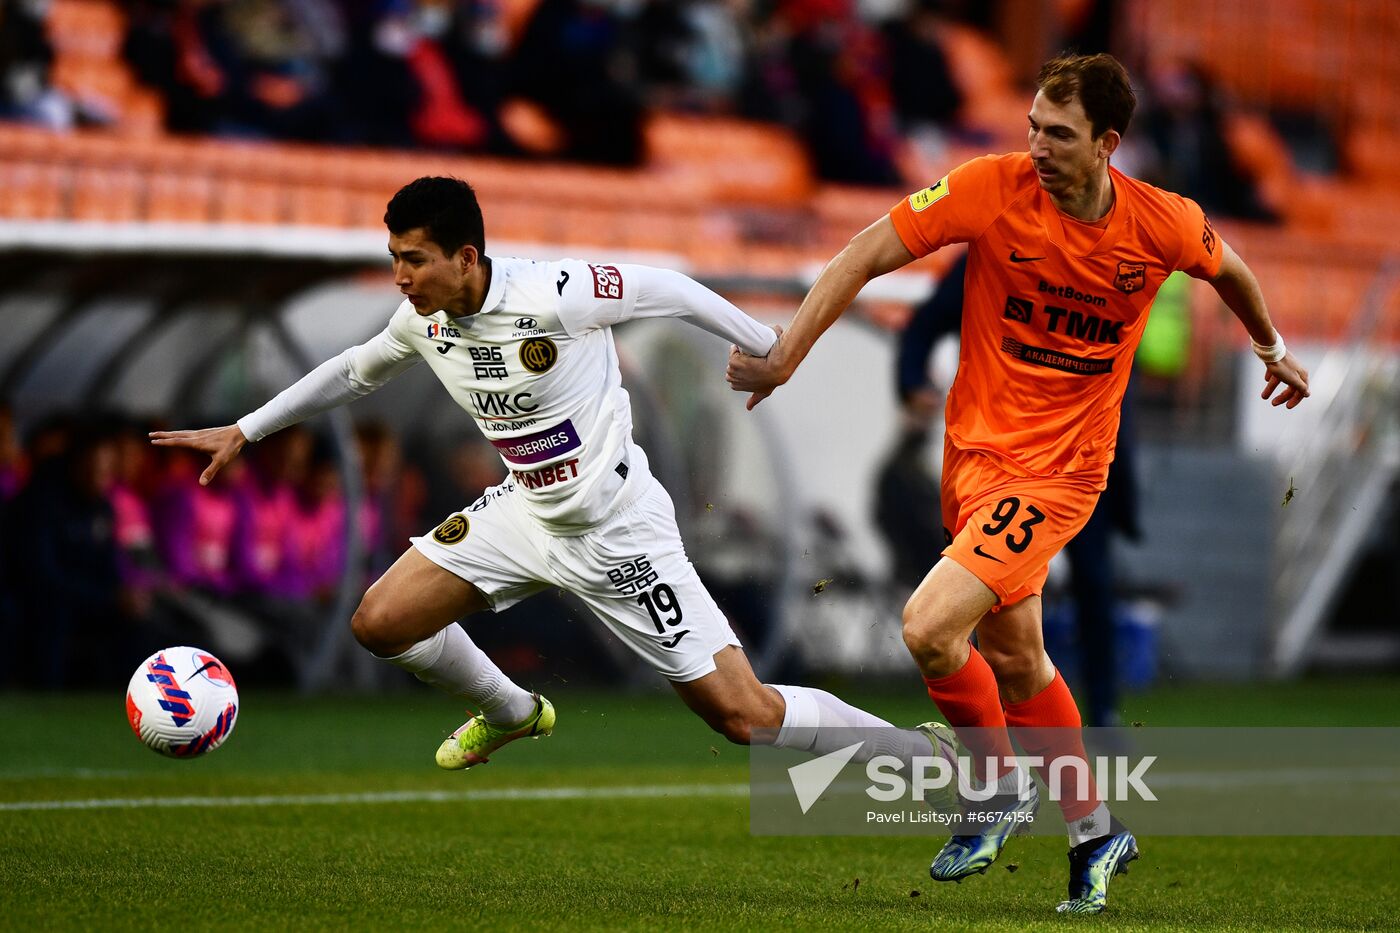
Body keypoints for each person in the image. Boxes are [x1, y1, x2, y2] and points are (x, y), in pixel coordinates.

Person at [726, 53, 1310, 914]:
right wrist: (787, 354)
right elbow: (866, 252)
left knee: (928, 626)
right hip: (975, 463)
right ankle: (1096, 829)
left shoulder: (1161, 224)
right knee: (1016, 654)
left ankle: (995, 791)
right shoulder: (989, 189)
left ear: (1108, 143)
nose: (1037, 144)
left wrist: (1269, 348)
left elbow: (1232, 270)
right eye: (1033, 125)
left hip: (1064, 472)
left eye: (1060, 133)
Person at [151, 175, 953, 794]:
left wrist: (769, 349)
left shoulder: (556, 294)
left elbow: (669, 287)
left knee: (745, 716)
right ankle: (511, 710)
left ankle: (923, 759)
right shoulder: (422, 322)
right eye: (395, 257)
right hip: (525, 513)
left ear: (465, 256)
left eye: (414, 258)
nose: (400, 276)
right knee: (381, 620)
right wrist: (247, 428)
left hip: (618, 530)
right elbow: (352, 373)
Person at [895, 250, 1141, 728]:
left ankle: (1102, 710)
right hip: (1001, 469)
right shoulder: (996, 241)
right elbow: (926, 316)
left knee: (1092, 583)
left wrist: (1270, 346)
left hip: (1078, 467)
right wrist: (911, 380)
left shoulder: (1119, 249)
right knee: (1015, 651)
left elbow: (1217, 263)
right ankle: (1075, 795)